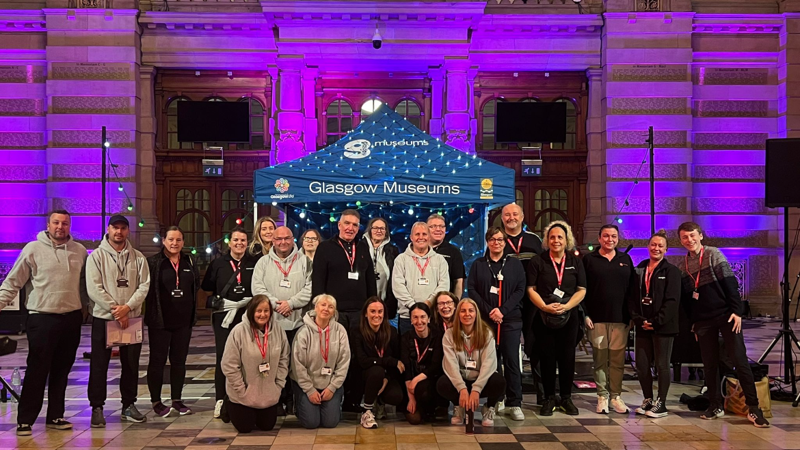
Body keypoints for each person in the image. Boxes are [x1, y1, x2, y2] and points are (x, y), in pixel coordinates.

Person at [0, 210, 86, 436]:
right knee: (38, 369)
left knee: (62, 370)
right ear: (48, 225)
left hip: (71, 318)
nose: (61, 227)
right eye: (56, 222)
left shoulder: (79, 251)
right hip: (41, 318)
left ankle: (56, 415)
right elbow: (13, 282)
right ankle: (25, 419)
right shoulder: (32, 249)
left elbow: (88, 285)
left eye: (65, 223)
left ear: (70, 226)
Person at [676, 222, 769, 428]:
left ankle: (753, 408)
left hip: (726, 315)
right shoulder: (683, 265)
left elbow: (730, 282)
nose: (689, 240)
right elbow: (688, 300)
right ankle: (715, 404)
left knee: (739, 360)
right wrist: (694, 323)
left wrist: (737, 311)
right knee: (709, 364)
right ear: (680, 240)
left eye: (692, 235)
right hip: (703, 320)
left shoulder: (713, 254)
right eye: (684, 237)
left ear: (700, 236)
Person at [87, 215, 150, 427]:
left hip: (131, 319)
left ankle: (128, 405)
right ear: (108, 229)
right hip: (104, 319)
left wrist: (127, 308)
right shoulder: (96, 257)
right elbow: (94, 288)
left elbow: (144, 286)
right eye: (115, 228)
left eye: (123, 228)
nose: (119, 232)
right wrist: (116, 310)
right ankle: (97, 407)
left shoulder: (138, 257)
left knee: (131, 365)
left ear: (128, 231)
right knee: (99, 365)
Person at [526, 220, 586, 416]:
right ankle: (549, 398)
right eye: (552, 237)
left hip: (569, 317)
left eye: (560, 237)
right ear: (546, 240)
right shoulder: (538, 261)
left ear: (567, 239)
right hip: (544, 317)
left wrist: (567, 306)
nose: (556, 240)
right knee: (547, 359)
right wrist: (545, 306)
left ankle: (566, 398)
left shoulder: (575, 261)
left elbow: (582, 289)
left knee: (567, 358)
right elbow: (530, 289)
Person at [252, 226, 313, 415]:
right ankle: (276, 400)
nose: (283, 242)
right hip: (272, 323)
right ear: (273, 241)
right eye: (279, 239)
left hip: (298, 323)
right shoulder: (263, 263)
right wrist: (275, 304)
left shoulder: (305, 262)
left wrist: (292, 303)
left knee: (297, 364)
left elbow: (311, 287)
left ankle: (293, 400)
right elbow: (257, 288)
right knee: (274, 363)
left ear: (293, 239)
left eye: (287, 238)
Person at [468, 227, 526, 421]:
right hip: (486, 321)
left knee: (511, 361)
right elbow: (472, 289)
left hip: (510, 320)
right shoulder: (478, 264)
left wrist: (503, 310)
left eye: (500, 240)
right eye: (493, 239)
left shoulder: (514, 264)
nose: (497, 243)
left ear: (504, 242)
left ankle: (514, 402)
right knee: (490, 363)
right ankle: (494, 401)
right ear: (487, 241)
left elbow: (520, 289)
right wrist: (489, 311)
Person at [201, 226, 258, 421]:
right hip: (224, 316)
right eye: (236, 240)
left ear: (247, 243)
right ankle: (220, 399)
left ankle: (247, 398)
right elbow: (207, 287)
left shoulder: (254, 262)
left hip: (247, 315)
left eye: (243, 240)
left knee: (248, 358)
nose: (239, 243)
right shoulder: (218, 264)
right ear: (229, 242)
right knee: (224, 358)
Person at [582, 224, 639, 414]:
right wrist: (585, 314)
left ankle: (616, 396)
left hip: (620, 319)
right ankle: (602, 396)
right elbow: (581, 289)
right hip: (596, 319)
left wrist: (632, 316)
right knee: (599, 359)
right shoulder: (589, 260)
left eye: (613, 236)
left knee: (616, 361)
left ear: (618, 238)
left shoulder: (625, 259)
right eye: (606, 236)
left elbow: (633, 290)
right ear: (599, 238)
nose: (610, 239)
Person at [145, 226, 200, 418]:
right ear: (163, 241)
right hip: (160, 321)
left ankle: (177, 399)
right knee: (157, 361)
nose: (174, 243)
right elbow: (147, 289)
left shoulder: (189, 261)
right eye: (171, 240)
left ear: (183, 242)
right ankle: (156, 401)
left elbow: (196, 284)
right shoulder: (153, 262)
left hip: (183, 321)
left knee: (179, 362)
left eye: (178, 240)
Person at [221, 295, 290, 433]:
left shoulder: (278, 331)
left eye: (266, 311)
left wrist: (278, 385)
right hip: (243, 395)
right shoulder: (238, 331)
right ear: (251, 311)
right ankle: (227, 406)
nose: (262, 314)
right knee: (245, 428)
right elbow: (229, 365)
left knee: (267, 426)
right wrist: (241, 390)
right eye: (259, 311)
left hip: (268, 395)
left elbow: (284, 359)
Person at [632, 230, 681, 418]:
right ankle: (648, 399)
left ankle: (661, 403)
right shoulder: (639, 269)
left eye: (660, 246)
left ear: (666, 250)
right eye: (653, 244)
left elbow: (672, 301)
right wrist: (639, 319)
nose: (656, 248)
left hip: (663, 327)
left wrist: (655, 321)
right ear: (648, 247)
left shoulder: (672, 272)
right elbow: (632, 297)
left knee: (662, 365)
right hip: (642, 326)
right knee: (642, 365)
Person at [500, 202, 544, 404]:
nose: (511, 218)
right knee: (506, 352)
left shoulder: (535, 240)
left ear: (523, 216)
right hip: (508, 305)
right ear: (502, 218)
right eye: (507, 215)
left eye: (515, 214)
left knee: (536, 348)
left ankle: (543, 397)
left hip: (533, 304)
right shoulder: (497, 240)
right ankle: (503, 396)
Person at [437, 298, 506, 427]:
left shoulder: (486, 333)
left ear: (476, 314)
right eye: (463, 311)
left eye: (470, 311)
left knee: (499, 381)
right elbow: (450, 365)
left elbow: (489, 364)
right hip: (461, 378)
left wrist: (476, 389)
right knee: (442, 383)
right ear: (458, 314)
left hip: (480, 379)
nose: (467, 314)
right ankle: (459, 407)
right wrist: (462, 388)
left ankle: (489, 408)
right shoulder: (449, 334)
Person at [311, 209, 377, 332]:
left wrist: (372, 305)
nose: (350, 228)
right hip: (334, 311)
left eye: (355, 225)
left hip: (359, 311)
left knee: (357, 349)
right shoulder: (325, 247)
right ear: (339, 225)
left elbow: (370, 279)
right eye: (347, 223)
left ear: (358, 228)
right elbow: (318, 280)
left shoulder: (363, 247)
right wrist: (319, 309)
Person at [291, 294, 350, 428]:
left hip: (330, 383)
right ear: (315, 307)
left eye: (330, 307)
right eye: (323, 305)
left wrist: (332, 387)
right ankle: (299, 405)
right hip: (307, 384)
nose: (326, 309)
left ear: (334, 312)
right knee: (311, 423)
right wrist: (310, 390)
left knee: (330, 423)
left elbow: (344, 362)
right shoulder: (303, 332)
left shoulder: (340, 331)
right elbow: (297, 365)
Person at [351, 297, 405, 428]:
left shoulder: (391, 332)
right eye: (373, 311)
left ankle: (379, 401)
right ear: (365, 313)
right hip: (363, 375)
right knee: (376, 371)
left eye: (380, 312)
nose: (377, 315)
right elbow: (363, 361)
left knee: (396, 396)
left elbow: (398, 360)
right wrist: (390, 361)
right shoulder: (357, 331)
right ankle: (367, 411)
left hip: (384, 375)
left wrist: (387, 377)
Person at [392, 222, 449, 335]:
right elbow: (398, 286)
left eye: (424, 234)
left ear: (429, 236)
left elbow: (444, 286)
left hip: (432, 316)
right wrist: (414, 307)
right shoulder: (401, 259)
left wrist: (428, 304)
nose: (421, 237)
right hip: (407, 317)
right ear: (411, 237)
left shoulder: (440, 260)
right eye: (417, 234)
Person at [400, 303, 444, 424]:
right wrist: (411, 398)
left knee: (424, 390)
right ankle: (417, 407)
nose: (419, 321)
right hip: (410, 382)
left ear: (429, 318)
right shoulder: (405, 338)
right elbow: (406, 368)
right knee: (414, 420)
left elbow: (435, 366)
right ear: (410, 320)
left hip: (429, 379)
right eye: (415, 317)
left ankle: (432, 409)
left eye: (423, 317)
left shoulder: (438, 336)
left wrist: (415, 381)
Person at [359, 218, 400, 319]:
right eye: (376, 228)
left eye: (382, 228)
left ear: (386, 232)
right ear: (369, 229)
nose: (379, 231)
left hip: (385, 300)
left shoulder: (393, 251)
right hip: (362, 300)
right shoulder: (359, 247)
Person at [428, 214, 466, 298]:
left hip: (444, 305)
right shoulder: (419, 250)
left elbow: (458, 281)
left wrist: (455, 304)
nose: (438, 229)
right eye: (433, 226)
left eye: (441, 226)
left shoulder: (453, 252)